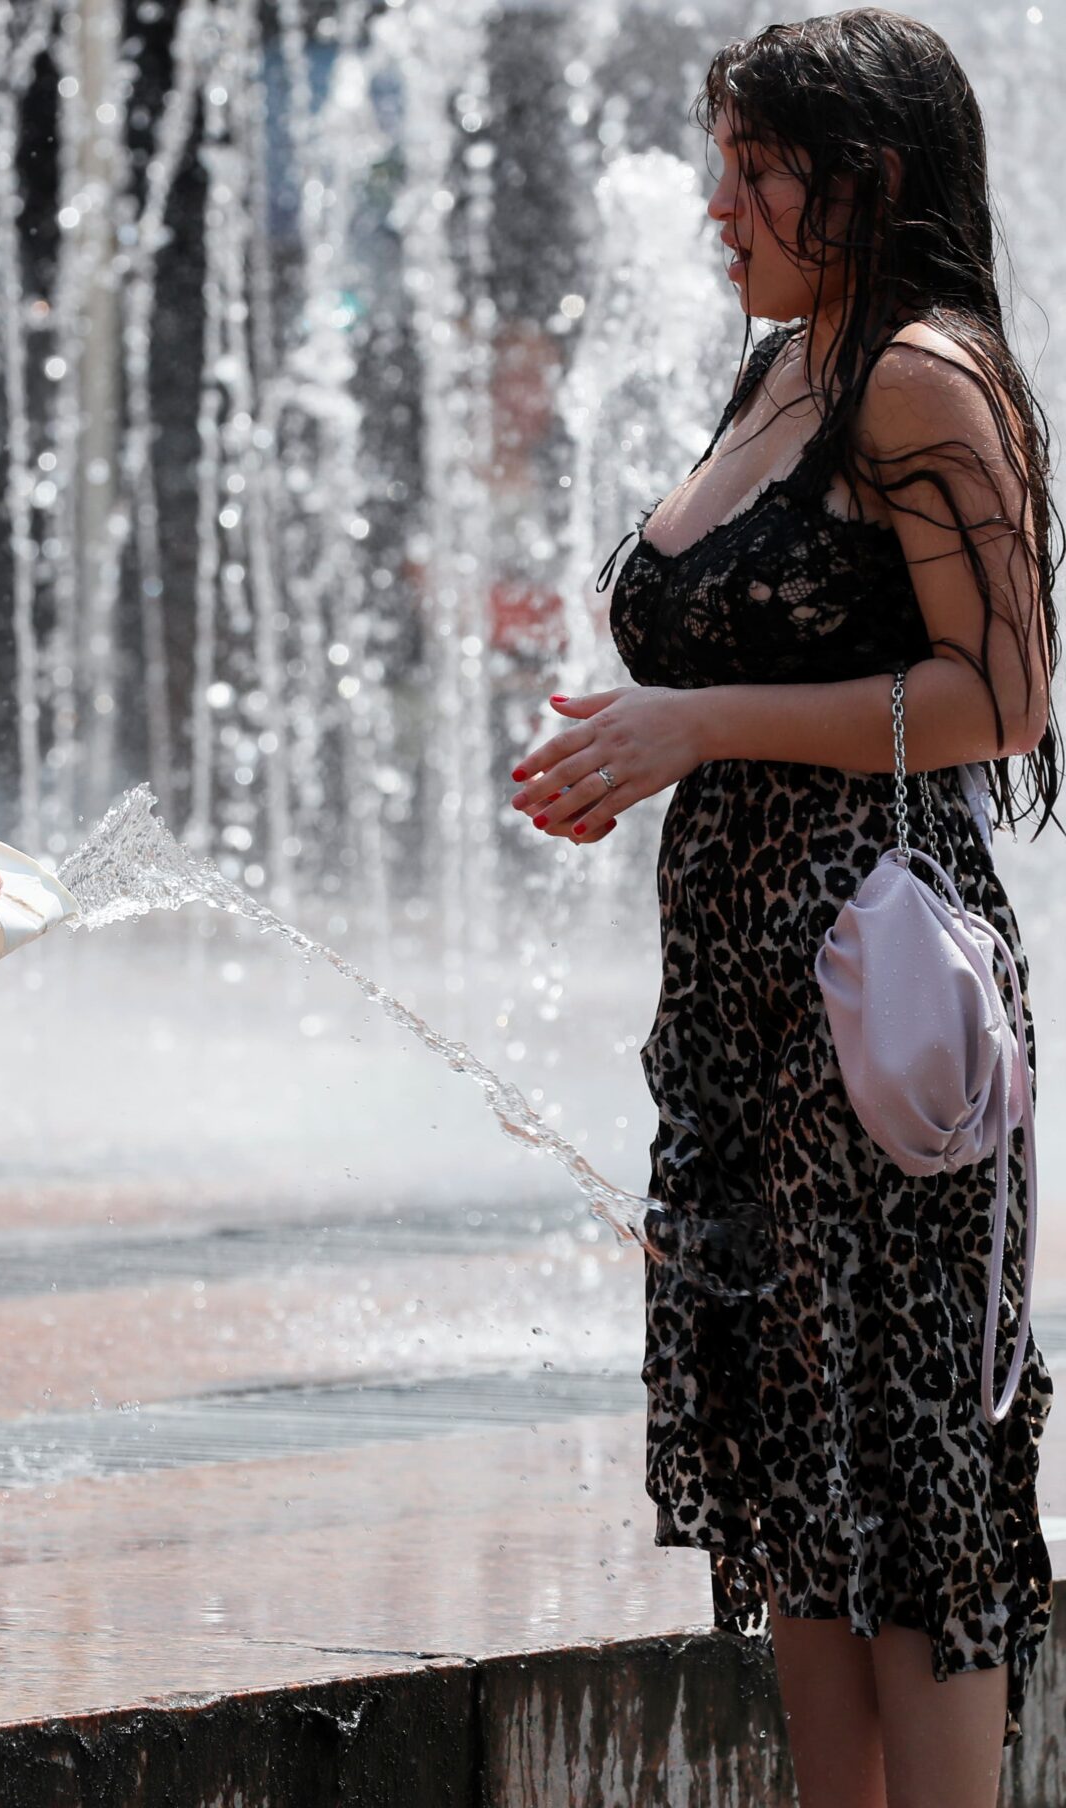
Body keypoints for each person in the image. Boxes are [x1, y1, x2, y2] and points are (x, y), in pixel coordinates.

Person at [510, 13, 1051, 1803]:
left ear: (872, 176)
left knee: (909, 1466)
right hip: (744, 991)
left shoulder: (918, 376)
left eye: (756, 169)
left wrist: (702, 726)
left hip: (872, 987)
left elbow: (1008, 694)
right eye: (718, 164)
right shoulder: (784, 366)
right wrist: (626, 755)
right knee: (793, 1453)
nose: (715, 208)